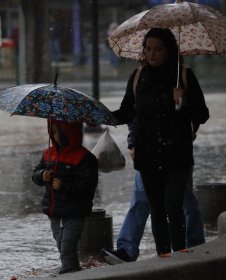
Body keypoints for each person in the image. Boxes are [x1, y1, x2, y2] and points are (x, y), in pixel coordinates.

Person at [110, 28, 209, 257]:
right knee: (156, 209)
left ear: (169, 50)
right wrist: (102, 116)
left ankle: (181, 254)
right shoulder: (138, 77)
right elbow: (127, 111)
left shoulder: (183, 76)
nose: (152, 54)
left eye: (158, 49)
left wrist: (183, 100)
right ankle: (163, 257)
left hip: (177, 154)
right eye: (148, 49)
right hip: (148, 153)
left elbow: (202, 115)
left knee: (173, 206)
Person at [101, 120, 206, 264]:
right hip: (149, 149)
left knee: (182, 200)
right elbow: (133, 112)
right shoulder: (141, 99)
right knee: (142, 199)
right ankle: (127, 249)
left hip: (177, 150)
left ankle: (194, 243)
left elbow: (199, 110)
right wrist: (134, 142)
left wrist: (190, 131)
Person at [32, 120, 98, 274]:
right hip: (55, 210)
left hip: (75, 211)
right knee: (61, 244)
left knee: (67, 245)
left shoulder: (85, 158)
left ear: (69, 132)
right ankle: (72, 269)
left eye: (58, 132)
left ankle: (69, 271)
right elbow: (35, 176)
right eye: (53, 132)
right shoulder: (49, 154)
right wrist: (42, 175)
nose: (55, 136)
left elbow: (87, 187)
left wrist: (63, 186)